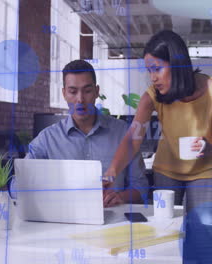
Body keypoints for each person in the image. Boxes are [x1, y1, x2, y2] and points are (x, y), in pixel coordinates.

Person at [103, 30, 212, 213]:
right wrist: (110, 174)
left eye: (157, 69)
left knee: (203, 230)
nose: (153, 77)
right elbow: (132, 140)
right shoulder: (152, 96)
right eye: (149, 71)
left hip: (205, 171)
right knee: (165, 226)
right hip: (166, 170)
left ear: (176, 64)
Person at [26, 60, 148, 208]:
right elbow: (20, 181)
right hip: (63, 220)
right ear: (64, 93)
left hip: (112, 220)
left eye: (87, 91)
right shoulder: (47, 140)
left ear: (97, 91)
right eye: (73, 91)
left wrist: (120, 197)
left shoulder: (122, 133)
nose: (80, 99)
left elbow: (141, 187)